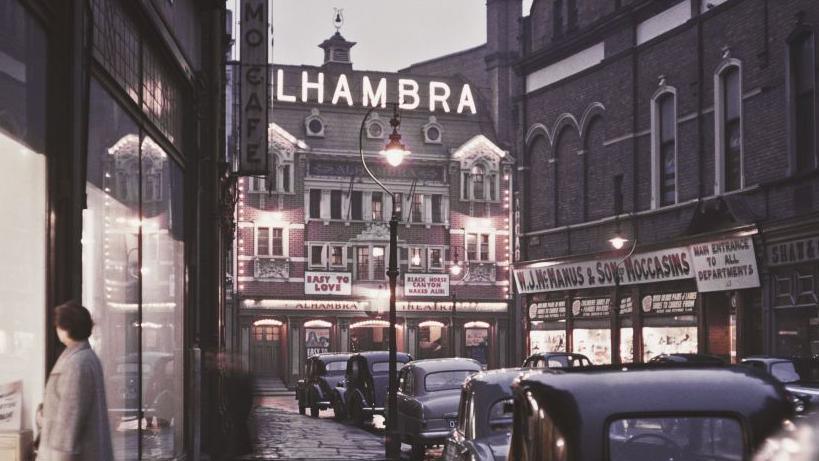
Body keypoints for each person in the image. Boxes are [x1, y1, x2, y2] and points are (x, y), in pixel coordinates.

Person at [38, 301, 113, 461]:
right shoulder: (84, 357)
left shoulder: (76, 363)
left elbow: (70, 417)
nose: (57, 329)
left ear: (66, 328)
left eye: (59, 325)